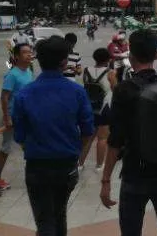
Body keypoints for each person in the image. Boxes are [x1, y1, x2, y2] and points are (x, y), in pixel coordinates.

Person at [100, 29, 157, 236]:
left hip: (134, 171)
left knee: (130, 230)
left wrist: (106, 180)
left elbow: (116, 139)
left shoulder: (124, 90)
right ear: (156, 55)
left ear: (131, 55)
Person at [13, 35, 95, 235]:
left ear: (38, 60)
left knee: (45, 220)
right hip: (66, 164)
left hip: (37, 166)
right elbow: (87, 131)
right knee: (59, 214)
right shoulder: (76, 92)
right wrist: (77, 155)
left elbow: (20, 135)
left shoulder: (24, 94)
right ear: (64, 62)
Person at [0, 41, 35, 191]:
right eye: (25, 52)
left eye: (30, 52)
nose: (29, 55)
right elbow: (4, 97)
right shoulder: (12, 74)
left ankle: (34, 176)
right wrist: (7, 118)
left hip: (25, 117)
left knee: (30, 147)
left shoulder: (29, 72)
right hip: (13, 117)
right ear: (17, 56)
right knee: (6, 148)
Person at [81, 47, 118, 172]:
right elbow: (115, 89)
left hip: (89, 108)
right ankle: (99, 165)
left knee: (88, 137)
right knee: (102, 138)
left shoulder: (86, 70)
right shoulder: (110, 73)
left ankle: (80, 163)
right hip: (104, 108)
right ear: (108, 59)